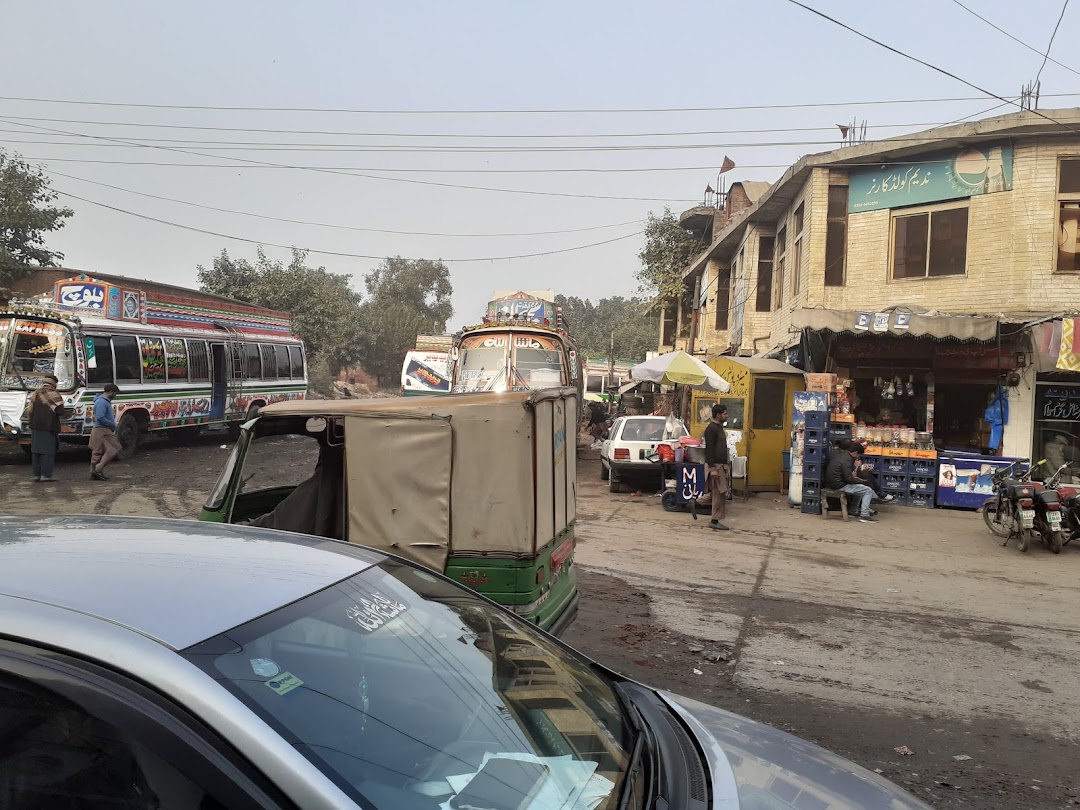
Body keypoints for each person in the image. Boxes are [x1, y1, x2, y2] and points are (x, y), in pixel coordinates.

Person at [825, 440, 877, 523]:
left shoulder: (842, 455)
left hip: (833, 482)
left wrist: (858, 480)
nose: (858, 457)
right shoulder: (848, 460)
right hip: (839, 485)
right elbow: (848, 478)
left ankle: (854, 510)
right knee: (868, 491)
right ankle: (864, 515)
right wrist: (859, 480)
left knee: (861, 488)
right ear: (855, 452)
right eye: (859, 454)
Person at [28, 375, 65, 482]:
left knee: (36, 452)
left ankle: (36, 475)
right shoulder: (54, 394)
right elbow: (61, 411)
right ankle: (46, 475)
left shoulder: (35, 393)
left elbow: (29, 411)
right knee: (47, 452)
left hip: (35, 427)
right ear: (54, 383)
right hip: (49, 428)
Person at [703, 403, 730, 531]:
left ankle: (695, 502)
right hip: (716, 466)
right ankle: (714, 520)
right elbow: (709, 450)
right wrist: (712, 469)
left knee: (717, 492)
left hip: (720, 466)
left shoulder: (718, 428)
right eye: (725, 413)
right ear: (718, 415)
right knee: (719, 493)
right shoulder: (711, 429)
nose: (727, 416)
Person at [89, 384, 122, 481]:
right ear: (111, 391)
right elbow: (100, 417)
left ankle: (94, 472)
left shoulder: (99, 401)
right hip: (103, 429)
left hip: (98, 429)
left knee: (97, 451)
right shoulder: (103, 402)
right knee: (114, 448)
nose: (115, 395)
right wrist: (112, 425)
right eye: (115, 393)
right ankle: (98, 469)